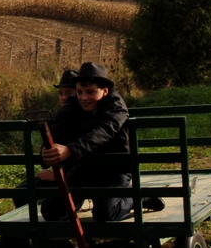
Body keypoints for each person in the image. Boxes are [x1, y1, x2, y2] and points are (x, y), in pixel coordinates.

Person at [17, 61, 163, 221]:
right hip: (84, 167)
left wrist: (70, 150)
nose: (84, 97)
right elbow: (56, 128)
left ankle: (140, 197)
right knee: (51, 211)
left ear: (105, 91)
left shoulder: (116, 107)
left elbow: (104, 132)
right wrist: (47, 152)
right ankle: (58, 242)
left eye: (90, 92)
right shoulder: (73, 104)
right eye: (79, 92)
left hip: (114, 169)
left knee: (106, 214)